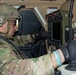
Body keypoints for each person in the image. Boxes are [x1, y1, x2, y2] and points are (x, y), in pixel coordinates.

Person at [0, 3, 76, 75]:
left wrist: (35, 36)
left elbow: (17, 41)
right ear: (1, 21)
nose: (16, 28)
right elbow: (15, 71)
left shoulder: (4, 40)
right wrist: (62, 54)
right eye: (14, 22)